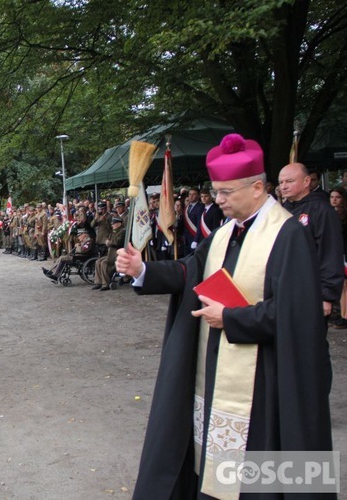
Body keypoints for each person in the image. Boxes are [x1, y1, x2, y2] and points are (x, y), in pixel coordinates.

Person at [115, 133, 333, 498]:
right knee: (211, 469)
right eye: (216, 191)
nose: (218, 200)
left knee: (261, 475)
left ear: (257, 187)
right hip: (214, 374)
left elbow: (297, 314)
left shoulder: (288, 235)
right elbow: (189, 271)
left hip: (266, 377)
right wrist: (142, 270)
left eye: (226, 192)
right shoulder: (223, 233)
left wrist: (232, 318)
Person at [279, 162, 344, 318]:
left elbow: (330, 252)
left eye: (290, 181)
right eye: (281, 182)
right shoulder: (281, 210)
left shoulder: (322, 210)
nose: (284, 186)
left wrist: (326, 296)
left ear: (306, 181)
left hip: (312, 289)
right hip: (285, 288)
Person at [330, 186, 347, 329]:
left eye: (338, 197)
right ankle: (342, 314)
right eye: (332, 197)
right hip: (337, 253)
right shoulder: (328, 214)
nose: (334, 200)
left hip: (345, 253)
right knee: (342, 287)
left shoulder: (344, 216)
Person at [92, 217, 125, 291]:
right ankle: (98, 282)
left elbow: (117, 242)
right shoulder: (113, 232)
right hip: (110, 253)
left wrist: (109, 243)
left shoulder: (122, 231)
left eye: (114, 224)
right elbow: (108, 239)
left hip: (117, 254)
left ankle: (105, 283)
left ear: (119, 224)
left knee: (104, 263)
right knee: (98, 262)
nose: (112, 225)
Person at [184, 187, 203, 255]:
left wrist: (196, 240)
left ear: (198, 196)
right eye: (190, 194)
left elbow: (199, 225)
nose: (191, 196)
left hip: (194, 237)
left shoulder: (200, 207)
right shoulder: (187, 207)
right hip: (186, 239)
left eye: (194, 194)